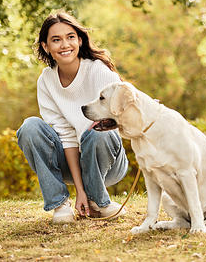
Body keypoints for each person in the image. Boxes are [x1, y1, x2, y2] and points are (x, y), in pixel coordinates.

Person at [16, 11, 129, 223]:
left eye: (70, 37)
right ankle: (59, 204)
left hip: (107, 160)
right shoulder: (46, 81)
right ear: (45, 46)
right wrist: (80, 190)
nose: (64, 44)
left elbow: (120, 119)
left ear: (79, 39)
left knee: (96, 130)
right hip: (72, 162)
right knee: (29, 127)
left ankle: (98, 201)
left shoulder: (98, 71)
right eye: (56, 40)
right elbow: (66, 135)